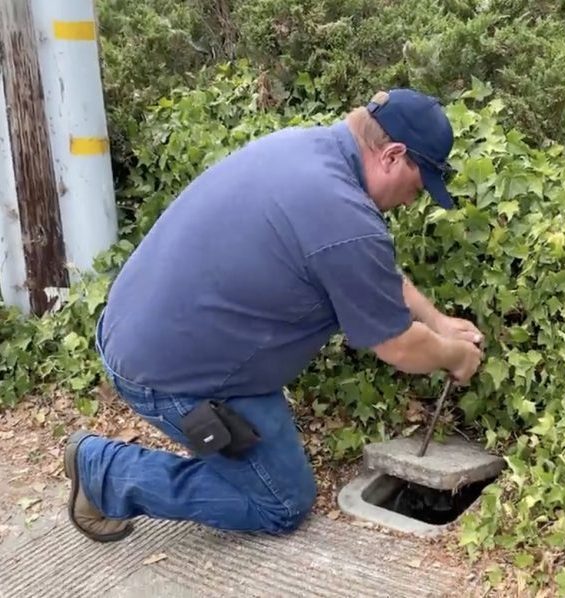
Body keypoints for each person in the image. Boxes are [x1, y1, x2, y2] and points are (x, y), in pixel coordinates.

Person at [63, 88, 484, 543]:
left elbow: (366, 269)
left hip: (147, 327)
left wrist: (438, 322)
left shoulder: (304, 149)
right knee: (281, 503)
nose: (410, 201)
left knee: (269, 470)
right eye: (417, 187)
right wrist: (453, 357)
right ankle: (105, 472)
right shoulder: (344, 218)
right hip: (167, 371)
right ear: (393, 155)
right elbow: (399, 346)